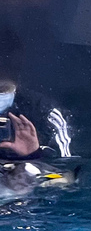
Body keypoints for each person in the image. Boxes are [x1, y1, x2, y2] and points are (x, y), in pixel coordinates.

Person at [0, 32, 75, 161]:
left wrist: (34, 155)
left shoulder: (46, 113)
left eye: (8, 55)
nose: (4, 62)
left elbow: (64, 175)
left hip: (26, 180)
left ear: (20, 59)